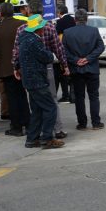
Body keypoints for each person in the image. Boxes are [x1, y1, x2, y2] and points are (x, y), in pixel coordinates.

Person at [16, 14, 65, 149]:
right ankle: (47, 138)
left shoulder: (24, 39)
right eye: (42, 27)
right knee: (50, 107)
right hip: (37, 80)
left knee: (37, 110)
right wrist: (51, 55)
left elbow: (18, 57)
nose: (43, 29)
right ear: (38, 29)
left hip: (30, 80)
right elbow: (47, 57)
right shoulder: (34, 41)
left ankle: (32, 139)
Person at [62, 8, 106, 131]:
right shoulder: (93, 30)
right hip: (91, 68)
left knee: (79, 97)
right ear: (86, 19)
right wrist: (88, 59)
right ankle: (96, 122)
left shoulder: (67, 32)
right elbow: (100, 47)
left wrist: (76, 60)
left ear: (75, 19)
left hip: (76, 69)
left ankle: (82, 123)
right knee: (94, 96)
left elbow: (64, 51)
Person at [0, 3, 29, 137]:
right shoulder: (22, 25)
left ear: (0, 13)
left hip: (6, 67)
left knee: (11, 98)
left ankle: (16, 126)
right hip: (22, 65)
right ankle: (28, 123)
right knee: (22, 95)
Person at [54, 4, 75, 103]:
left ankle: (65, 95)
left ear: (59, 12)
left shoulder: (60, 22)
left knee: (63, 74)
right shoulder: (72, 19)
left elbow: (55, 34)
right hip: (74, 50)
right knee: (72, 74)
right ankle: (72, 95)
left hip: (64, 49)